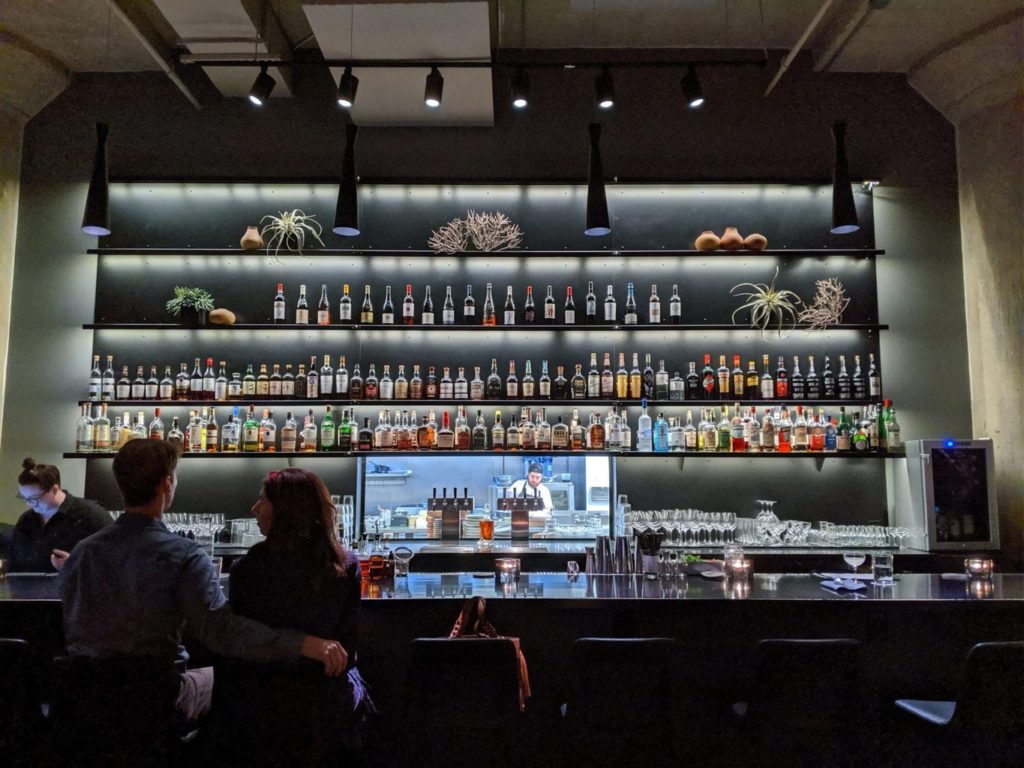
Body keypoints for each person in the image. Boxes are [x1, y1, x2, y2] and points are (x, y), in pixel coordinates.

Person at [59, 439, 348, 726]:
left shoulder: (82, 552)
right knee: (229, 683)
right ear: (167, 483)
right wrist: (302, 644)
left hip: (85, 697)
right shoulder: (182, 554)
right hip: (154, 698)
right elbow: (221, 632)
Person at [218, 468, 365, 766]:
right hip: (327, 709)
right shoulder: (344, 565)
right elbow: (349, 649)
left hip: (262, 711)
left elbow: (241, 646)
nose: (254, 509)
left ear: (285, 510)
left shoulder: (248, 570)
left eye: (263, 500)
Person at [0, 458, 111, 573]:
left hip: (76, 588)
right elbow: (14, 559)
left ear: (54, 489)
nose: (29, 503)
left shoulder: (91, 515)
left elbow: (114, 560)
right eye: (24, 498)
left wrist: (74, 567)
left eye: (34, 498)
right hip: (30, 588)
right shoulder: (27, 520)